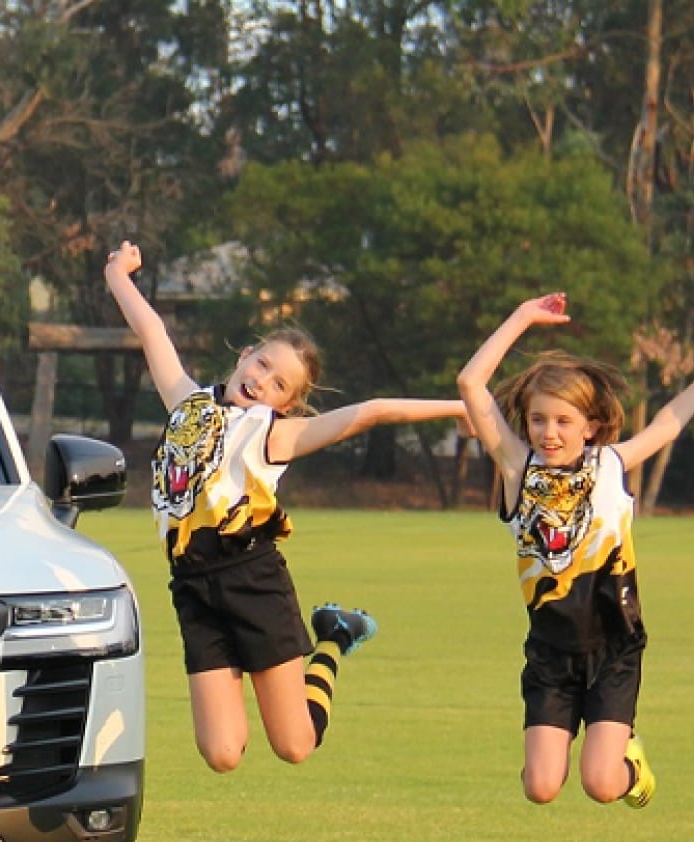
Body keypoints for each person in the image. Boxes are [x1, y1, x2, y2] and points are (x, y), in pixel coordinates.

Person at [105, 239, 468, 772]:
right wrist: (119, 274)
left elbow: (371, 413)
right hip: (192, 584)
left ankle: (335, 638)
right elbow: (152, 331)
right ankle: (331, 637)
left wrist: (464, 406)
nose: (262, 380)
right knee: (222, 754)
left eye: (279, 384)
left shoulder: (271, 434)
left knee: (294, 745)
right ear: (243, 355)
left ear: (288, 404)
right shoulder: (187, 402)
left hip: (253, 582)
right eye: (263, 363)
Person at [457, 291, 694, 808]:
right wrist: (522, 316)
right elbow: (470, 384)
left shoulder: (611, 464)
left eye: (563, 422)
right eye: (539, 420)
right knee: (540, 788)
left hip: (613, 647)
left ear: (589, 426)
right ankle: (564, 749)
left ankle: (629, 760)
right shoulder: (519, 470)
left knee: (602, 785)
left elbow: (669, 421)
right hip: (550, 651)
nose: (548, 432)